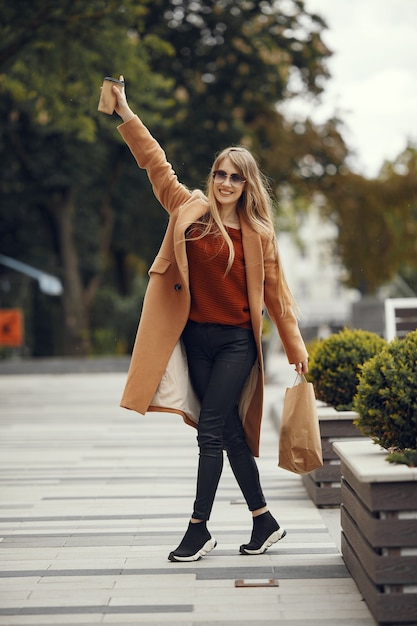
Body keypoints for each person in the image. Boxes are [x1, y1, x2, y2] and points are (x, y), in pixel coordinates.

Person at [111, 77, 308, 563]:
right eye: (219, 173)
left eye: (235, 177)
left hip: (238, 345)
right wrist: (125, 113)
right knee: (225, 433)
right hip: (195, 341)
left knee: (210, 431)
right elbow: (156, 166)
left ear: (248, 185)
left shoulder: (259, 236)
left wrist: (296, 347)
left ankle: (198, 529)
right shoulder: (190, 210)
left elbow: (278, 299)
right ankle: (264, 521)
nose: (224, 183)